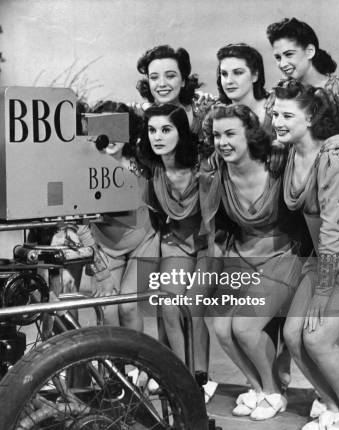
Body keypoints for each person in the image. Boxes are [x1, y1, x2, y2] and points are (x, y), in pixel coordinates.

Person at [267, 17, 339, 416]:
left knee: (334, 312)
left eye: (289, 54)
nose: (282, 62)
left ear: (310, 51)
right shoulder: (287, 103)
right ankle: (336, 392)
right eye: (277, 55)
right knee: (302, 329)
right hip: (316, 212)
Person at [200, 104, 305, 420]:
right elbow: (213, 232)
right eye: (217, 135)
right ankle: (258, 387)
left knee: (245, 328)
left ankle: (273, 391)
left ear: (250, 135)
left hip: (282, 258)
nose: (223, 142)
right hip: (238, 257)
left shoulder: (277, 165)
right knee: (221, 327)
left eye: (231, 134)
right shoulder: (216, 171)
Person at [138, 103, 217, 402]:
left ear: (181, 132)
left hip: (210, 245)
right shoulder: (152, 169)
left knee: (193, 307)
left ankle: (202, 377)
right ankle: (181, 375)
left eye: (166, 129)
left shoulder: (202, 165)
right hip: (176, 243)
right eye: (152, 130)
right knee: (169, 304)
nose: (158, 136)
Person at [75, 100, 159, 331]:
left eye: (117, 127)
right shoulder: (83, 171)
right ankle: (114, 367)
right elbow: (79, 225)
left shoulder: (143, 165)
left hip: (144, 242)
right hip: (104, 246)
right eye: (103, 128)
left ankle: (135, 365)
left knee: (128, 307)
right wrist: (100, 271)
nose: (110, 136)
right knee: (108, 309)